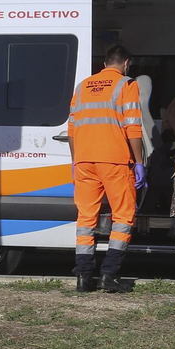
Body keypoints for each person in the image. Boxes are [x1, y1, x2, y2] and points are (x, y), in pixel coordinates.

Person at [68, 46, 146, 293]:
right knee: (123, 217)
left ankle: (83, 276)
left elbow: (72, 129)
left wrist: (75, 160)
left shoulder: (82, 86)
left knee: (85, 220)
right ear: (126, 63)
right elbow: (133, 126)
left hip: (84, 161)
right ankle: (109, 275)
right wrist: (140, 161)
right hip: (114, 160)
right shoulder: (126, 84)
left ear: (104, 64)